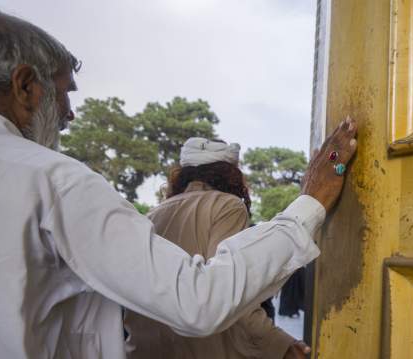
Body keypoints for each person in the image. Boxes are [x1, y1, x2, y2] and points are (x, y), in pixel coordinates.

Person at [0, 9, 358, 359]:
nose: (69, 111)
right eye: (65, 91)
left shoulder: (154, 211)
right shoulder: (55, 181)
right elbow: (200, 300)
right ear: (24, 86)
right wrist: (308, 205)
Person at [124, 138, 310, 359]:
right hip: (203, 348)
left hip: (144, 347)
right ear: (229, 172)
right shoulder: (227, 206)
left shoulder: (152, 215)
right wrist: (279, 343)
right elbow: (230, 289)